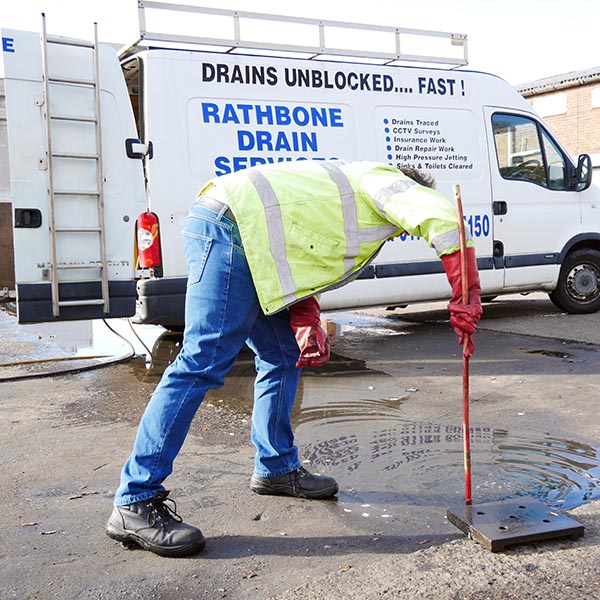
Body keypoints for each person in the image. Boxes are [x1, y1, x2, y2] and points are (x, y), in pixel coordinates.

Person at [106, 160, 482, 557]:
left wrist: (306, 319)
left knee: (282, 355)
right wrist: (466, 297)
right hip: (229, 227)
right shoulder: (386, 182)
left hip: (245, 231)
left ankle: (276, 467)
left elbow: (299, 255)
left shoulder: (343, 194)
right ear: (413, 188)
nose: (401, 231)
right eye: (404, 225)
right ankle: (136, 498)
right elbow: (445, 223)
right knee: (203, 360)